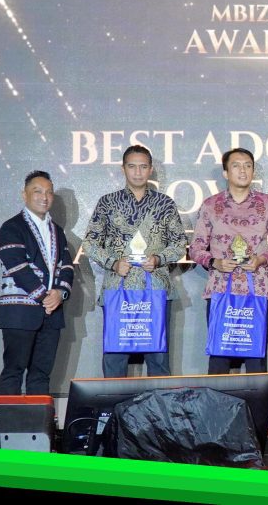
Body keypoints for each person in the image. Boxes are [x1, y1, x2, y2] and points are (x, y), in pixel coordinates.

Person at [83, 145, 188, 378]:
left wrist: (159, 258)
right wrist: (113, 263)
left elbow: (180, 244)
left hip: (155, 289)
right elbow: (89, 243)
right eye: (132, 166)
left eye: (143, 167)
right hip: (118, 289)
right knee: (114, 359)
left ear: (150, 170)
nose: (138, 172)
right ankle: (114, 404)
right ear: (123, 169)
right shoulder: (108, 202)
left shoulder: (165, 204)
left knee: (158, 360)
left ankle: (159, 404)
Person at [188, 147, 268, 375]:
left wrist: (261, 259)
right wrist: (214, 262)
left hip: (256, 290)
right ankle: (217, 401)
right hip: (220, 290)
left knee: (256, 362)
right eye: (236, 166)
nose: (243, 170)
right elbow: (195, 248)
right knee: (219, 361)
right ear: (225, 172)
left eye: (248, 166)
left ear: (253, 171)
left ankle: (257, 401)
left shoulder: (267, 203)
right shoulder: (210, 205)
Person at [0, 170, 73, 395]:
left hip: (52, 314)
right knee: (13, 371)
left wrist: (60, 293)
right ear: (25, 194)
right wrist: (45, 297)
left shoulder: (57, 230)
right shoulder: (12, 227)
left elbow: (67, 267)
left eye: (49, 192)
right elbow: (18, 267)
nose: (44, 197)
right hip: (20, 312)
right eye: (37, 191)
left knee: (41, 375)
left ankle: (38, 419)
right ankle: (9, 418)